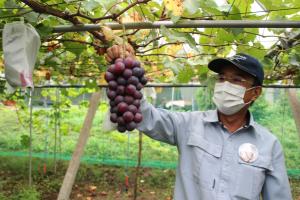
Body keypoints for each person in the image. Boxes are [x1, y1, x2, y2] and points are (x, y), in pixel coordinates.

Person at [105, 45, 292, 200]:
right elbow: (145, 116)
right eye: (222, 78)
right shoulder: (189, 124)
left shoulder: (269, 145)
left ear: (255, 92)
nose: (226, 85)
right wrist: (126, 65)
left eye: (236, 80)